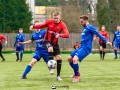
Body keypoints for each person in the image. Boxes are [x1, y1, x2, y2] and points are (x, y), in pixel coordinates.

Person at [67, 15, 112, 82]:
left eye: (82, 22)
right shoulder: (85, 28)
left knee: (75, 59)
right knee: (69, 58)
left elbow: (98, 34)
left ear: (86, 20)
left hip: (86, 48)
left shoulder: (90, 27)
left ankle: (76, 77)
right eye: (80, 22)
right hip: (81, 47)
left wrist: (106, 41)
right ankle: (77, 73)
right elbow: (86, 39)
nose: (81, 23)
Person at [30, 12, 69, 81]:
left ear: (59, 17)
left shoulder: (62, 25)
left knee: (59, 58)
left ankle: (58, 76)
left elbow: (67, 35)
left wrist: (60, 35)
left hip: (55, 43)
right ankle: (51, 67)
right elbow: (42, 25)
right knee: (50, 49)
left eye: (57, 18)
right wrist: (33, 26)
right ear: (52, 17)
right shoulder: (50, 22)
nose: (56, 19)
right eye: (54, 18)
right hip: (46, 41)